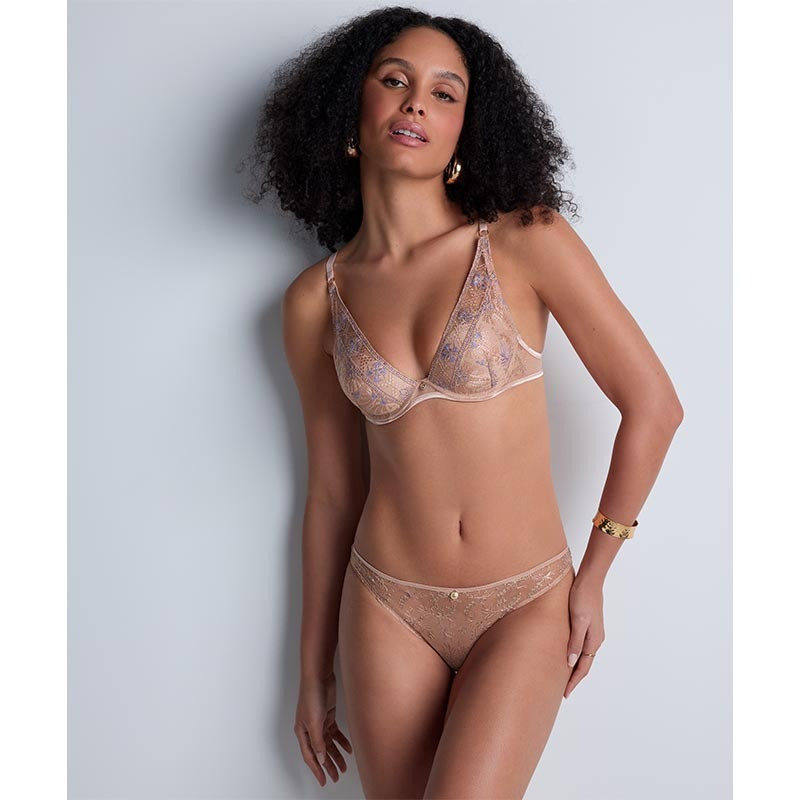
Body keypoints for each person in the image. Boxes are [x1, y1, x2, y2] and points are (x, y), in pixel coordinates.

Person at [242, 7, 683, 798]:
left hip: (525, 601)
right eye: (395, 80)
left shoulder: (525, 240)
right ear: (350, 109)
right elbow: (333, 492)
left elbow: (654, 405)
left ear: (465, 132)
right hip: (385, 604)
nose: (417, 101)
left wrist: (594, 576)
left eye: (445, 93)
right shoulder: (315, 301)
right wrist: (311, 672)